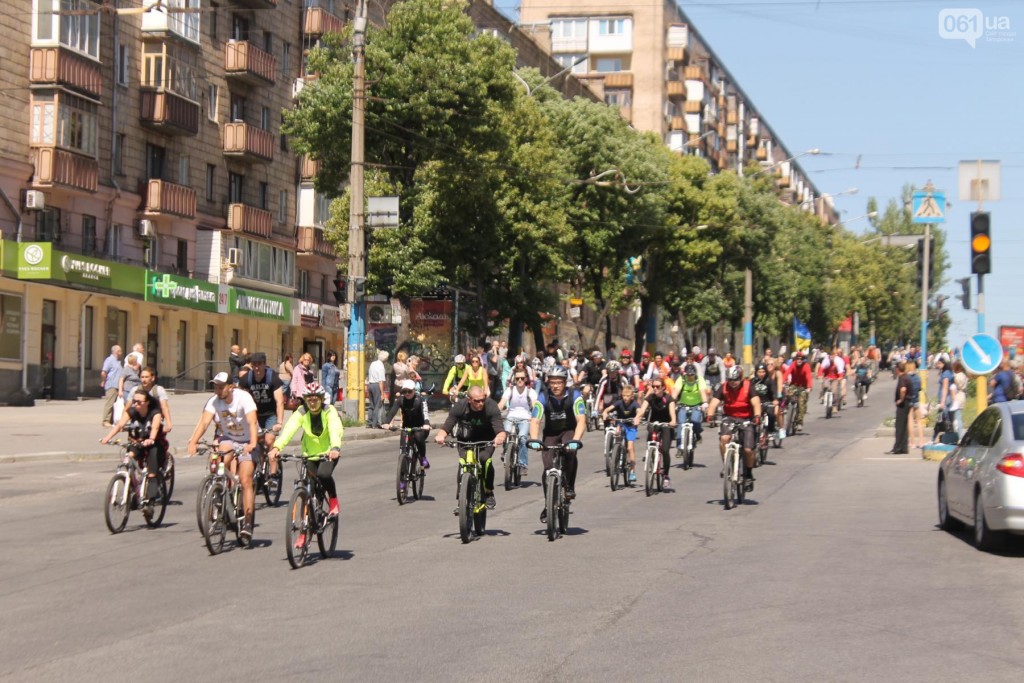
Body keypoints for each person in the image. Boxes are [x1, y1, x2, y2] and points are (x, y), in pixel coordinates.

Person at [186, 372, 260, 543]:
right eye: (215, 387)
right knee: (219, 462)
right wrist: (194, 442)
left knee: (245, 479)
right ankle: (219, 492)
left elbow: (252, 422)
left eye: (221, 387)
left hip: (248, 440)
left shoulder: (244, 398)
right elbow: (204, 422)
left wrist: (253, 443)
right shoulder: (214, 401)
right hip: (229, 439)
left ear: (231, 386)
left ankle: (248, 522)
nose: (217, 390)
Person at [269, 383, 343, 548]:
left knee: (323, 475)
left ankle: (333, 500)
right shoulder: (301, 412)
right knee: (308, 490)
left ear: (322, 399)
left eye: (316, 399)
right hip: (309, 454)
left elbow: (335, 429)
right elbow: (289, 430)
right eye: (310, 399)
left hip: (328, 453)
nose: (313, 403)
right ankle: (303, 533)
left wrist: (335, 448)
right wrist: (276, 447)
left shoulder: (329, 411)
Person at [435, 385, 507, 511]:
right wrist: (441, 435)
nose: (481, 403)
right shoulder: (460, 406)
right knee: (463, 463)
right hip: (465, 440)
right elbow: (448, 424)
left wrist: (500, 437)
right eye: (477, 401)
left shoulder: (491, 406)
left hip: (486, 440)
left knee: (485, 460)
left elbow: (500, 428)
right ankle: (461, 502)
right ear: (469, 400)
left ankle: (488, 491)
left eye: (483, 399)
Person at [529, 366, 585, 523]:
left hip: (568, 431)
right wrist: (534, 439)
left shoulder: (575, 395)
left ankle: (569, 486)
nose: (555, 386)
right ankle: (548, 504)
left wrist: (576, 440)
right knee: (547, 468)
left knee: (570, 452)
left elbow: (581, 420)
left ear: (565, 383)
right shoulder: (543, 396)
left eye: (559, 382)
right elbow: (535, 420)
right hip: (551, 433)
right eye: (552, 382)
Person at [100, 391, 166, 510]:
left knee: (151, 472)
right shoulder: (131, 412)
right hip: (136, 443)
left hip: (152, 445)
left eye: (139, 402)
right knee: (129, 457)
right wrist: (107, 438)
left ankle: (150, 502)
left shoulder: (155, 413)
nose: (136, 404)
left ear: (147, 402)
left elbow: (155, 428)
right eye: (134, 401)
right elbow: (119, 425)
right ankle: (132, 489)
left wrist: (151, 439)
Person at [707, 365, 762, 492]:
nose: (733, 382)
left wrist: (757, 416)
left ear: (741, 378)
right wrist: (710, 414)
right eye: (730, 380)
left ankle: (749, 474)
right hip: (729, 417)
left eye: (735, 380)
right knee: (724, 439)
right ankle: (726, 464)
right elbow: (714, 402)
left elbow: (756, 402)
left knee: (748, 449)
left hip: (746, 418)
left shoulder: (748, 386)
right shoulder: (724, 387)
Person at [238, 352, 285, 476]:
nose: (257, 368)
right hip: (255, 415)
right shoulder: (246, 378)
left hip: (270, 414)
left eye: (259, 364)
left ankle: (273, 474)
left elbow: (280, 402)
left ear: (264, 364)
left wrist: (279, 422)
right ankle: (259, 468)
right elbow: (238, 398)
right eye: (254, 365)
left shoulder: (273, 377)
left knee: (269, 440)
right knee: (257, 441)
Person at [634, 375, 678, 490]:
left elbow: (672, 413)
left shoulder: (669, 398)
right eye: (653, 386)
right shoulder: (650, 397)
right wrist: (637, 418)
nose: (655, 389)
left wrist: (673, 421)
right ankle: (651, 455)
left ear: (663, 387)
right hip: (654, 423)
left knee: (665, 450)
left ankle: (666, 475)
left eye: (658, 387)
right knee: (650, 439)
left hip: (666, 424)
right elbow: (642, 410)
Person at [383, 379, 431, 477]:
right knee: (403, 448)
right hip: (406, 427)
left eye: (409, 391)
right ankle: (402, 477)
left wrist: (426, 424)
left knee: (418, 437)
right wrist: (386, 423)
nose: (407, 394)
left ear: (414, 390)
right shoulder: (400, 400)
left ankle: (423, 458)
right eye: (405, 391)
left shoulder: (420, 400)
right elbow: (392, 411)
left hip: (420, 427)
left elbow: (425, 413)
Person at [498, 366, 537, 478]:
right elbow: (501, 404)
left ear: (526, 379)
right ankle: (506, 451)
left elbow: (535, 406)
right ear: (514, 379)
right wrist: (494, 413)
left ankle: (523, 464)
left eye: (522, 378)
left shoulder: (531, 392)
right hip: (510, 417)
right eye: (517, 378)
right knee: (505, 433)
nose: (520, 380)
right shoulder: (509, 390)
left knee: (523, 438)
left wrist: (534, 417)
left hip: (525, 419)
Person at [602, 384, 641, 482]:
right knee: (616, 433)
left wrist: (637, 418)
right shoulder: (619, 403)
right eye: (624, 396)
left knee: (630, 447)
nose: (625, 398)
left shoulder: (635, 404)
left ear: (632, 396)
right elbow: (608, 408)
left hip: (631, 427)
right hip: (621, 424)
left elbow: (639, 411)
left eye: (627, 396)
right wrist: (605, 412)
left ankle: (632, 471)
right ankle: (617, 450)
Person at [672, 363, 709, 450]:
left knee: (695, 421)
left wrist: (705, 402)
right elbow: (675, 392)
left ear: (695, 373)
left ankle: (698, 434)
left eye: (692, 374)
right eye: (688, 375)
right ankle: (679, 447)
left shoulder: (699, 379)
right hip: (683, 404)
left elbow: (702, 391)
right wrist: (672, 402)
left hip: (697, 405)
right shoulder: (681, 379)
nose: (690, 376)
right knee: (681, 424)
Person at [130, 367, 173, 434]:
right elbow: (128, 407)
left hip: (154, 420)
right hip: (138, 421)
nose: (144, 380)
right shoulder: (135, 390)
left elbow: (164, 407)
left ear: (152, 378)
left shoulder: (159, 390)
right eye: (142, 377)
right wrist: (121, 423)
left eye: (146, 377)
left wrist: (169, 423)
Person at [783, 352, 813, 432]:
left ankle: (799, 422)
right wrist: (782, 381)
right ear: (795, 359)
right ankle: (786, 406)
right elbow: (787, 373)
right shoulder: (793, 364)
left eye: (801, 359)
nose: (799, 360)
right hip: (794, 385)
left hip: (803, 387)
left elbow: (809, 377)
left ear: (803, 360)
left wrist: (809, 387)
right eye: (798, 358)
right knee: (788, 393)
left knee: (801, 403)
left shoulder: (806, 366)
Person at [888, 361, 911, 454]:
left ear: (897, 369)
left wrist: (901, 400)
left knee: (900, 426)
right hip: (907, 403)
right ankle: (903, 447)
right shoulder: (906, 377)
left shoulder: (902, 378)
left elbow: (903, 389)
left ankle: (897, 447)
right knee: (904, 426)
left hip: (903, 404)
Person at [100, 345, 123, 427]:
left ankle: (111, 420)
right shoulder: (109, 360)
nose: (121, 353)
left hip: (117, 386)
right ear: (116, 351)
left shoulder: (117, 362)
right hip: (111, 385)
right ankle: (105, 420)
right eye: (120, 351)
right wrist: (103, 381)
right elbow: (103, 372)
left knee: (114, 404)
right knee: (109, 403)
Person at [366, 350, 388, 428]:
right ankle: (374, 424)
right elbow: (381, 381)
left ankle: (369, 422)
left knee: (371, 405)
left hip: (370, 384)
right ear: (385, 359)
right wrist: (382, 393)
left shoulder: (373, 363)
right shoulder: (381, 367)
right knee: (377, 405)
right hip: (376, 386)